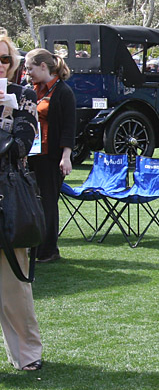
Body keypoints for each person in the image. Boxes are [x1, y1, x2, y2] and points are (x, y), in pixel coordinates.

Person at [0, 31, 42, 371]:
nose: (0, 65)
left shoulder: (23, 96)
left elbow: (20, 146)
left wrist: (4, 112)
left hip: (8, 198)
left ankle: (27, 355)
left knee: (14, 285)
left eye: (4, 58)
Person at [24, 48, 75, 264]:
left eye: (30, 69)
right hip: (31, 154)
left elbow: (69, 127)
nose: (28, 73)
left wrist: (66, 156)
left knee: (48, 202)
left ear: (43, 66)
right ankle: (33, 246)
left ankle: (48, 250)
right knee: (31, 201)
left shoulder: (63, 92)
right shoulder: (30, 90)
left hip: (50, 156)